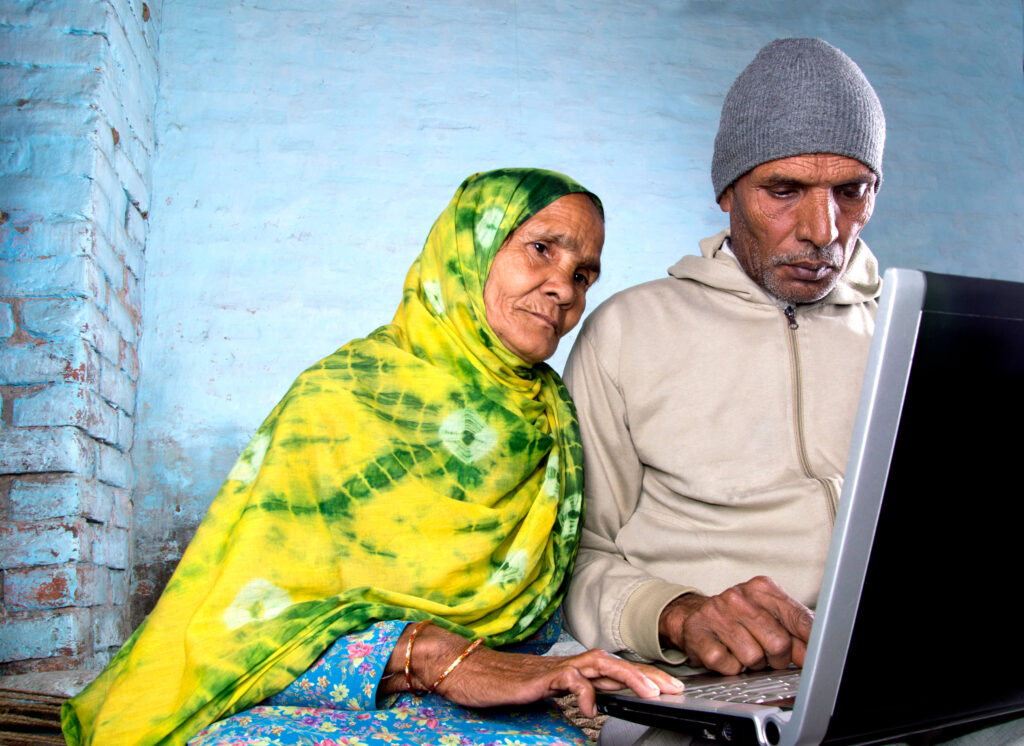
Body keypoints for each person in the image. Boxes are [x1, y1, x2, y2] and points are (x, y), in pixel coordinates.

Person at [61, 168, 682, 746]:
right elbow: (241, 626)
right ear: (470, 248)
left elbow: (538, 624)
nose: (562, 289)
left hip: (500, 707)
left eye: (583, 274)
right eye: (542, 249)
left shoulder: (551, 416)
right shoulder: (340, 398)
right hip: (329, 697)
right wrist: (425, 655)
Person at [562, 38, 884, 741]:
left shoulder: (906, 333)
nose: (821, 231)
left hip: (882, 680)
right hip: (697, 690)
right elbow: (576, 560)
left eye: (851, 191)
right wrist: (673, 611)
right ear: (727, 190)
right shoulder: (628, 331)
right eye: (785, 191)